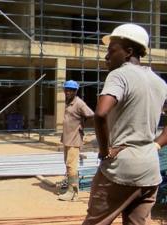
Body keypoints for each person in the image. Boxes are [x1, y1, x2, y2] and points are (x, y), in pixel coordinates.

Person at [83, 23, 167, 224]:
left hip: (120, 169)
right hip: (149, 170)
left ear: (129, 52)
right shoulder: (159, 82)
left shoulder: (119, 74)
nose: (107, 56)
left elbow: (101, 114)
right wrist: (157, 144)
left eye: (112, 50)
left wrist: (104, 151)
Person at [58, 80, 94, 201]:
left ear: (75, 91)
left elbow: (91, 115)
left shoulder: (79, 103)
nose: (68, 92)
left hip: (74, 139)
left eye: (71, 90)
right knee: (68, 165)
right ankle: (70, 187)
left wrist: (82, 125)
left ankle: (72, 192)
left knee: (71, 165)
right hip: (67, 139)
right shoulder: (69, 103)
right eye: (66, 90)